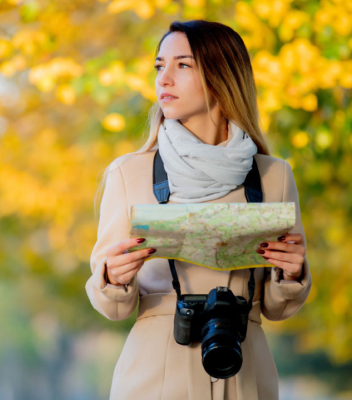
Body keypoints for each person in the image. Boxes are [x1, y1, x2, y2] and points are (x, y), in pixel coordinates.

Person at [85, 20, 312, 400]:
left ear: (222, 76)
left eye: (182, 65)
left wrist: (291, 274)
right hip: (154, 379)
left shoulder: (275, 176)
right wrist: (113, 277)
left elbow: (276, 308)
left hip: (245, 374)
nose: (164, 79)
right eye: (160, 66)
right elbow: (112, 307)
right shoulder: (129, 173)